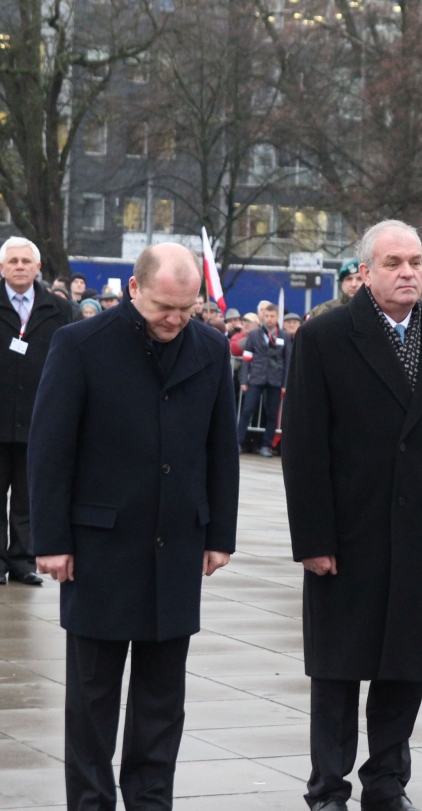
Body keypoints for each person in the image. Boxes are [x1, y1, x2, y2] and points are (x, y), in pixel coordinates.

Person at [281, 219, 422, 811]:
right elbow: (304, 447)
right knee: (338, 668)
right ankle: (328, 787)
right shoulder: (325, 337)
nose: (408, 273)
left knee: (405, 665)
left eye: (415, 262)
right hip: (350, 532)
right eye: (394, 263)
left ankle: (387, 782)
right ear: (365, 273)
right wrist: (313, 538)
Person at [28, 243, 239, 811]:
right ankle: (91, 803)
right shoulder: (79, 344)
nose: (175, 320)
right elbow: (50, 448)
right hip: (99, 547)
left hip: (178, 545)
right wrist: (51, 541)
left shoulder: (210, 348)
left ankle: (150, 800)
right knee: (93, 698)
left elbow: (222, 447)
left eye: (187, 309)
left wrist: (220, 534)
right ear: (133, 289)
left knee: (162, 699)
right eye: (164, 308)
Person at [0, 237, 75, 586]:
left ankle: (23, 561)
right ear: (2, 268)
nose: (19, 266)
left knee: (28, 497)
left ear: (38, 267)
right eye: (13, 261)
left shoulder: (58, 309)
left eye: (26, 261)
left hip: (37, 418)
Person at [237, 302, 291, 458]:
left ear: (277, 317)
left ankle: (266, 446)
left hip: (276, 379)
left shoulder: (284, 335)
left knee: (272, 415)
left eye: (272, 316)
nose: (269, 319)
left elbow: (287, 360)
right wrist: (244, 380)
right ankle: (238, 442)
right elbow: (247, 358)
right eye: (266, 316)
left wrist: (285, 383)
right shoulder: (254, 334)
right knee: (247, 410)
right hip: (256, 377)